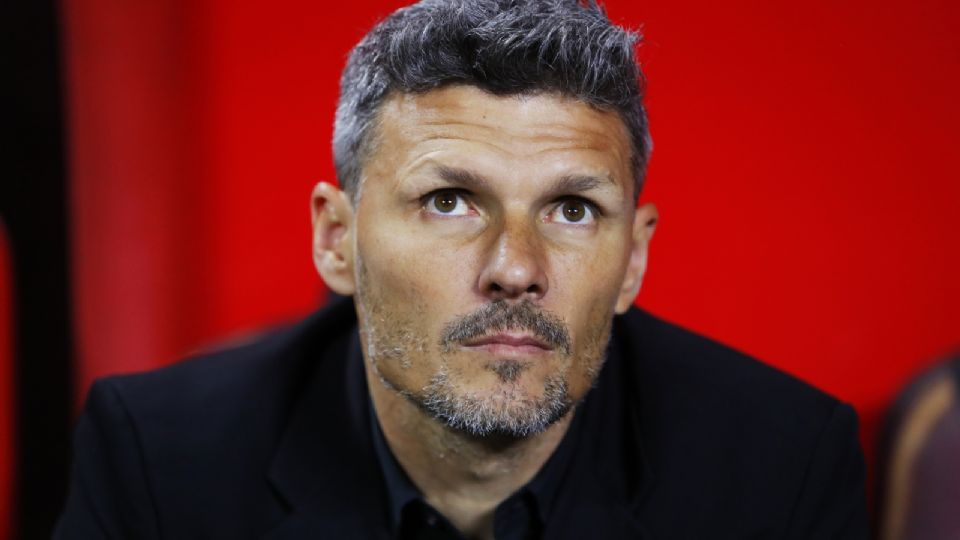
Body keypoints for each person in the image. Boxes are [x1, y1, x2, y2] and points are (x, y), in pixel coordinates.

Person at [55, 1, 870, 538]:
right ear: (336, 239)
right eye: (451, 200)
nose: (515, 269)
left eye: (572, 210)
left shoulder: (780, 470)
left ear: (635, 260)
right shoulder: (159, 461)